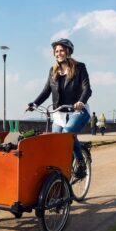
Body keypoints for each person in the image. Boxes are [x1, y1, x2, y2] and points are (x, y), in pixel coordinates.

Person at [27, 38, 91, 179]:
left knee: (67, 133)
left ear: (68, 51)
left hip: (77, 111)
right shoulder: (53, 71)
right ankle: (60, 176)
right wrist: (34, 104)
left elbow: (87, 89)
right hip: (59, 114)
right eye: (56, 51)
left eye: (61, 50)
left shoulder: (80, 67)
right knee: (55, 143)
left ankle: (80, 161)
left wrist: (81, 101)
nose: (58, 53)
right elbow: (46, 91)